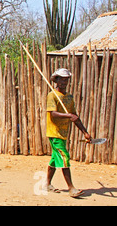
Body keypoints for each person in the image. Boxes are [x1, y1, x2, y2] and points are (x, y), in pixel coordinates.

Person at [43, 68, 91, 198]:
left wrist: (84, 132)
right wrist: (68, 115)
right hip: (54, 133)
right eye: (61, 79)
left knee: (55, 159)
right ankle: (71, 188)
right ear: (56, 80)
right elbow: (52, 114)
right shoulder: (52, 95)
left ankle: (47, 184)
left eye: (66, 80)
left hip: (63, 133)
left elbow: (75, 116)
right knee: (64, 157)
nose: (64, 82)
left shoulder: (69, 97)